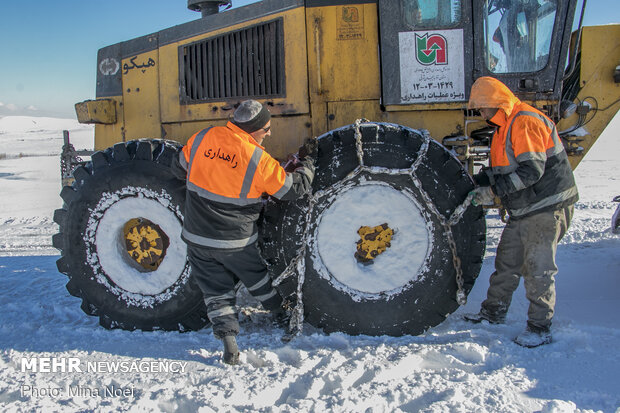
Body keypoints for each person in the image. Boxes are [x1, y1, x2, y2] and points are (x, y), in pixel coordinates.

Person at [172, 100, 317, 364]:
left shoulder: (203, 136)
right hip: (236, 242)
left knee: (215, 292)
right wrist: (308, 164)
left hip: (196, 237)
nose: (269, 133)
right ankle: (282, 314)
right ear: (253, 130)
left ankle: (229, 343)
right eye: (267, 128)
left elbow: (178, 166)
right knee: (260, 281)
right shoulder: (258, 159)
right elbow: (292, 190)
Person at [464, 77, 578, 348]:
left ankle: (539, 327)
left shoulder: (524, 121)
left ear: (496, 103)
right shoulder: (502, 128)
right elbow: (499, 171)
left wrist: (492, 193)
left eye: (482, 108)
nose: (480, 114)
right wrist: (473, 184)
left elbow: (531, 172)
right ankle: (492, 313)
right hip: (524, 208)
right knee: (507, 262)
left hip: (547, 207)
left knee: (538, 269)